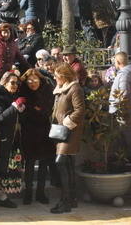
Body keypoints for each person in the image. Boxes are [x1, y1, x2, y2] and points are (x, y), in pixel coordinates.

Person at [0, 72, 25, 209]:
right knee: (1, 169)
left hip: (13, 139)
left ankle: (3, 196)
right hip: (3, 139)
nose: (15, 85)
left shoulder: (11, 96)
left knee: (9, 169)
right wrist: (14, 107)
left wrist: (18, 110)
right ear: (4, 82)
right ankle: (1, 197)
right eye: (12, 82)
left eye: (17, 83)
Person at [50, 62, 86, 214]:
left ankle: (65, 201)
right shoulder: (60, 89)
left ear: (64, 77)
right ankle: (71, 199)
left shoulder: (74, 88)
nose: (55, 78)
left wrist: (66, 121)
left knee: (61, 163)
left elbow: (80, 110)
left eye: (57, 76)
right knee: (68, 165)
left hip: (70, 132)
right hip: (60, 131)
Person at [19, 68, 56, 205]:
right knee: (29, 163)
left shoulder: (47, 90)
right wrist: (34, 109)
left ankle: (41, 193)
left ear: (39, 79)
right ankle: (28, 193)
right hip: (28, 130)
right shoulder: (23, 91)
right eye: (29, 81)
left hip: (44, 129)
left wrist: (35, 109)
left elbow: (48, 109)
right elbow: (24, 111)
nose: (32, 83)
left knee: (43, 162)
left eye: (35, 80)